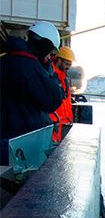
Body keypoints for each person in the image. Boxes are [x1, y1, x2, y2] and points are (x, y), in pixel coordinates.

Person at [0, 21, 64, 164]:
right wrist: (47, 70)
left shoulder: (6, 60)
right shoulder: (28, 66)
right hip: (19, 147)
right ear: (44, 45)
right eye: (50, 51)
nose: (50, 56)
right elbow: (53, 99)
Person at [50, 45, 76, 142]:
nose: (69, 67)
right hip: (53, 130)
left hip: (64, 130)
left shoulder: (64, 79)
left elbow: (67, 104)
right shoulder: (49, 75)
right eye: (67, 63)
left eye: (70, 64)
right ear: (58, 60)